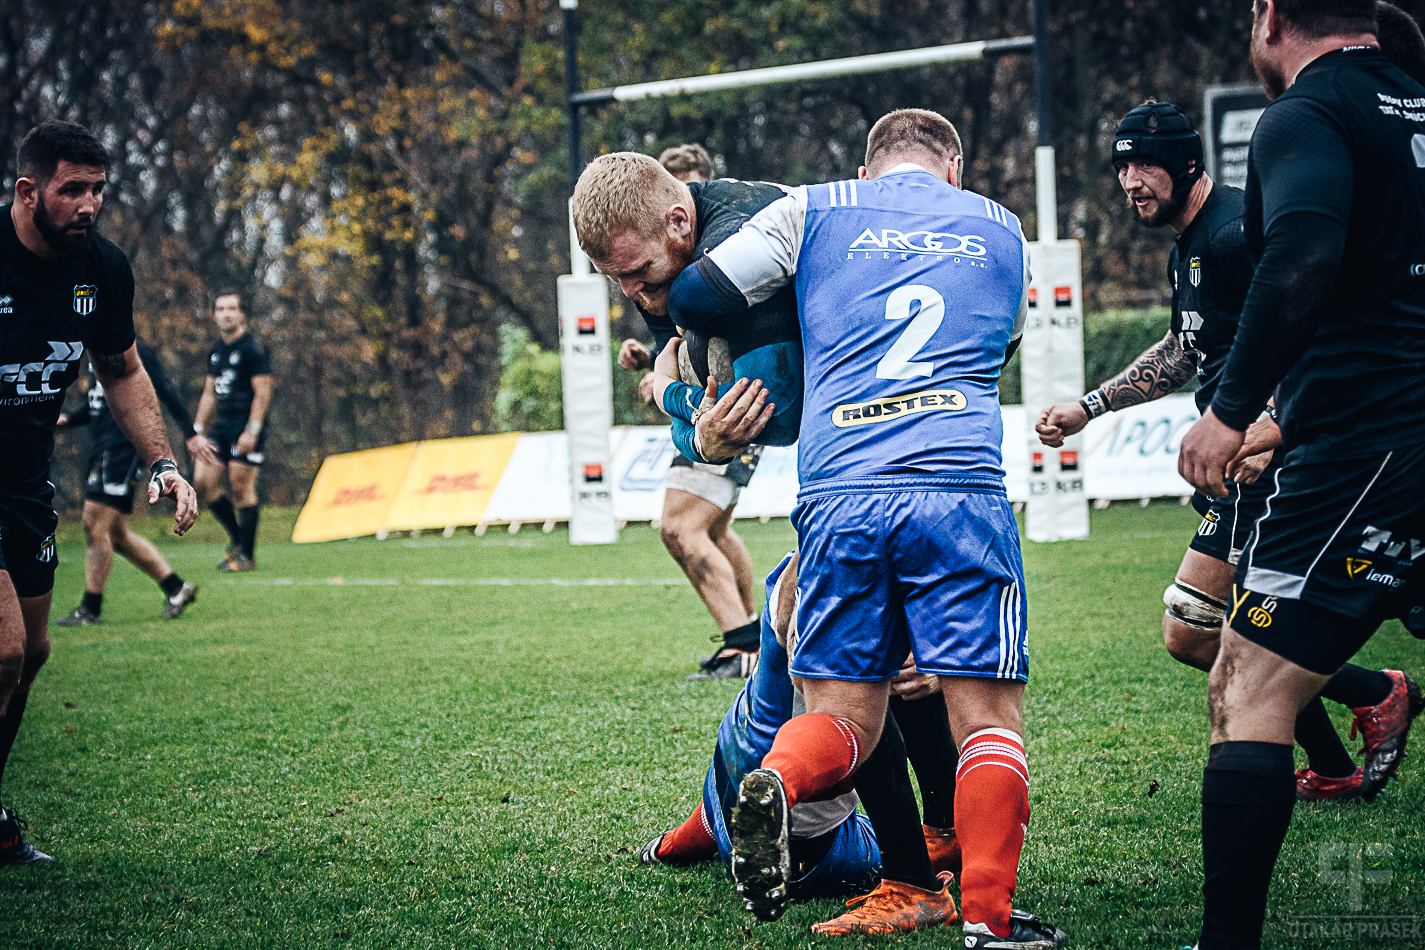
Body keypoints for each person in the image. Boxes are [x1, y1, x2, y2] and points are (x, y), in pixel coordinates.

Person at [669, 108, 1065, 947]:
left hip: (840, 491)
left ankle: (775, 779)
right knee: (986, 722)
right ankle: (990, 923)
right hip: (955, 485)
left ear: (867, 165)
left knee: (847, 717)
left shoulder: (812, 206)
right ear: (950, 168)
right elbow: (999, 347)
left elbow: (696, 289)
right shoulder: (1001, 227)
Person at [1036, 100, 1405, 803]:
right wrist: (1090, 406)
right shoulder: (1193, 243)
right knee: (1215, 631)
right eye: (1120, 166)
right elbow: (1183, 348)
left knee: (1195, 631)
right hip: (1242, 464)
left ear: (1185, 162)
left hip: (1272, 464)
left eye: (1143, 164)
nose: (1129, 182)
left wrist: (1268, 424)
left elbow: (1318, 325)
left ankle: (1376, 694)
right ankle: (1342, 751)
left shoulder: (1238, 231)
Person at [1176, 1, 1425, 945]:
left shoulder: (1305, 113)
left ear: (1268, 15)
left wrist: (1230, 410)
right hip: (1373, 431)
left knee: (1248, 684)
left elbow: (1305, 255)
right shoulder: (1411, 99)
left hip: (1372, 448)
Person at [0, 120, 197, 865]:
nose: (88, 205)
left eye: (98, 191)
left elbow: (120, 369)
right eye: (71, 190)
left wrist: (163, 464)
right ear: (28, 191)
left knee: (36, 652)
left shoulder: (102, 270)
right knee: (4, 651)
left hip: (24, 482)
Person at [638, 552, 966, 934]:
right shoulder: (886, 571)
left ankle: (683, 840)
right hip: (812, 849)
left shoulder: (803, 567)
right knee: (881, 684)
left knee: (741, 773)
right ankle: (931, 862)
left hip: (743, 770)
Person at [576, 147, 800, 680]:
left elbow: (775, 417)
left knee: (686, 529)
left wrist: (680, 396)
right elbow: (675, 398)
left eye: (638, 273)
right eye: (617, 279)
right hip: (784, 421)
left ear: (680, 219)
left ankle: (748, 644)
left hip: (865, 420)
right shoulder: (647, 270)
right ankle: (749, 641)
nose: (633, 292)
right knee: (713, 532)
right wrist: (693, 419)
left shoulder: (739, 240)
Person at [54, 340, 213, 624]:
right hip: (103, 447)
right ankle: (176, 589)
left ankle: (91, 608)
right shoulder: (95, 352)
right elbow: (97, 405)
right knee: (117, 534)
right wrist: (67, 419)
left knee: (94, 523)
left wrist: (190, 433)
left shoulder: (131, 350)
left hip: (121, 448)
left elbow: (164, 390)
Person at [190, 289, 272, 572]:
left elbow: (263, 394)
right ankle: (238, 539)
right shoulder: (216, 350)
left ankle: (247, 556)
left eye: (231, 309)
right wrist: (197, 429)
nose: (226, 314)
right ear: (214, 315)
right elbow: (209, 393)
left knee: (240, 485)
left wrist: (252, 430)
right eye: (220, 309)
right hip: (221, 426)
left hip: (245, 425)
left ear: (242, 314)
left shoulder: (253, 348)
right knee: (203, 482)